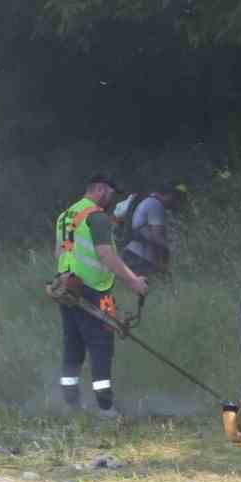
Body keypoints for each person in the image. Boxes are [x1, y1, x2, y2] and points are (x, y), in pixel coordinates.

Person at [53, 174, 149, 418]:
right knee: (101, 347)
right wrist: (134, 281)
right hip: (93, 292)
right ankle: (105, 408)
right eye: (110, 193)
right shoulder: (95, 216)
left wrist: (113, 221)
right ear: (100, 190)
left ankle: (71, 405)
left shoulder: (66, 216)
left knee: (72, 347)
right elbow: (105, 254)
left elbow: (60, 252)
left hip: (67, 289)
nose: (111, 198)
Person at [117, 184, 185, 277]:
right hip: (139, 259)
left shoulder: (149, 202)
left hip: (133, 256)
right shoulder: (156, 205)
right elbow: (157, 237)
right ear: (170, 195)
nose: (177, 203)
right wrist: (168, 253)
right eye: (177, 199)